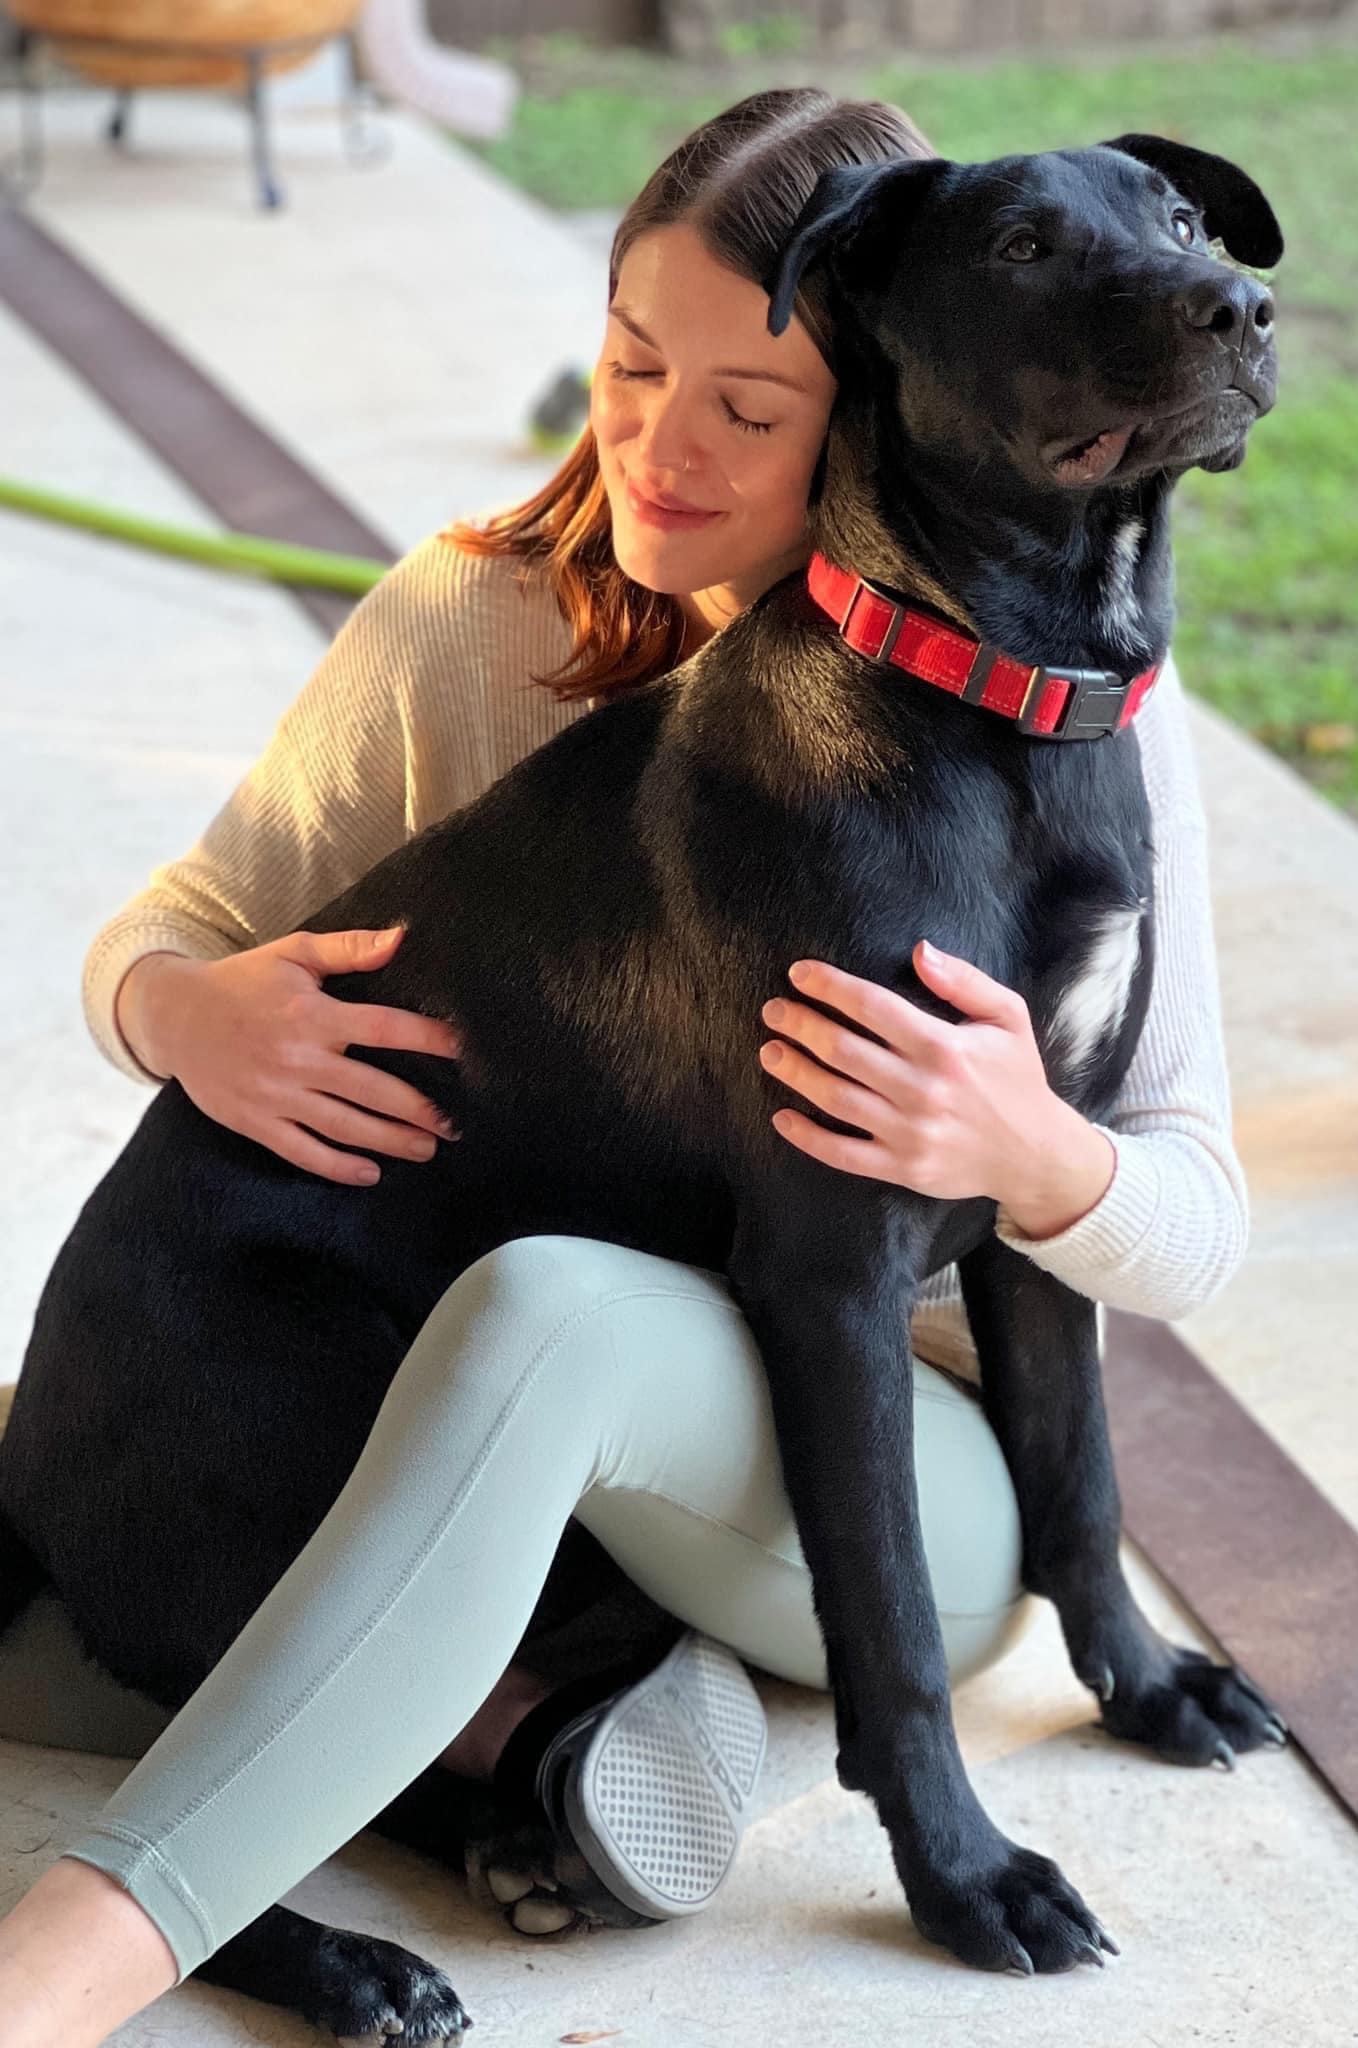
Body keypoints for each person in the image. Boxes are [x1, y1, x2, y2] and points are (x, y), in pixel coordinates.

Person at [0, 85, 1250, 2047]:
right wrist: (185, 1007)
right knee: (143, 1460)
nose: (661, 444)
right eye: (626, 364)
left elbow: (1192, 1209)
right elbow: (183, 918)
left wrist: (1039, 1157)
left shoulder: (1071, 717)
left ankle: (311, 1784)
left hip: (852, 1467)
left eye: (746, 408)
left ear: (874, 399)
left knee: (540, 1319)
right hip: (410, 1350)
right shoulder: (490, 605)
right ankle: (497, 1738)